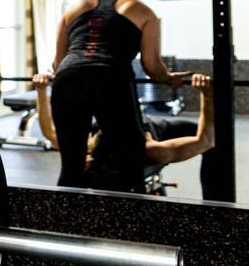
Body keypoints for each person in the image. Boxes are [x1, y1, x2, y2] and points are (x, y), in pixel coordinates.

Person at [48, 0, 191, 192]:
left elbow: (57, 63)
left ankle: (65, 224)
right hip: (109, 79)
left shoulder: (74, 9)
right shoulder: (142, 11)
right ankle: (126, 225)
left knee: (71, 164)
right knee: (131, 160)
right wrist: (169, 79)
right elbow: (152, 66)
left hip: (67, 80)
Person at [33, 72, 215, 191]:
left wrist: (41, 90)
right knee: (215, 141)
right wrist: (206, 93)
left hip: (149, 127)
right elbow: (206, 140)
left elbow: (49, 131)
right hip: (150, 128)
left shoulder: (86, 150)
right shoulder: (149, 152)